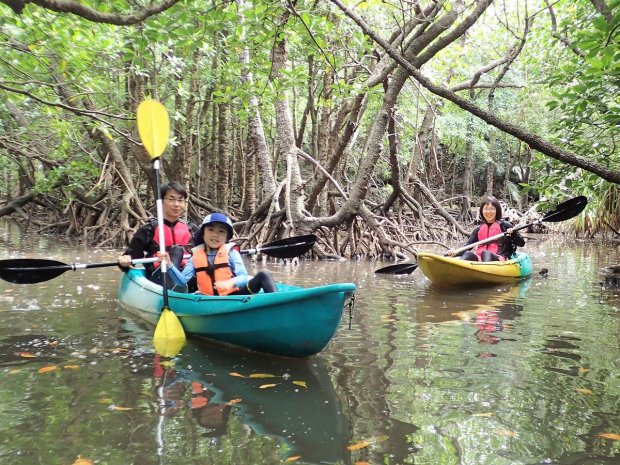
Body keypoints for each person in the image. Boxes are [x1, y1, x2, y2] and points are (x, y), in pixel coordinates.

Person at [161, 212, 277, 295]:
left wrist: (230, 283)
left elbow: (243, 277)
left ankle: (277, 308)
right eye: (210, 230)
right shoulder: (196, 256)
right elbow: (181, 281)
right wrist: (169, 265)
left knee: (264, 274)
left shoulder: (231, 253)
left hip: (234, 296)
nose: (215, 235)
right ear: (202, 234)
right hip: (210, 300)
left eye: (221, 231)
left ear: (227, 236)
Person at [117, 182, 200, 285]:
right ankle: (175, 288)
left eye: (180, 200)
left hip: (188, 278)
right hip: (160, 279)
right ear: (161, 202)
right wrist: (124, 261)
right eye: (171, 199)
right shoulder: (148, 230)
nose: (177, 204)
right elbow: (130, 258)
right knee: (176, 251)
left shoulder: (193, 229)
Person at [448, 196, 525, 262]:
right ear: (482, 211)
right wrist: (454, 253)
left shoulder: (505, 225)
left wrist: (513, 234)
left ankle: (486, 272)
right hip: (481, 259)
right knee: (468, 254)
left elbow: (522, 243)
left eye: (492, 209)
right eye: (486, 209)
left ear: (497, 210)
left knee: (486, 253)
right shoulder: (478, 229)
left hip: (499, 258)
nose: (488, 212)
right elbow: (467, 247)